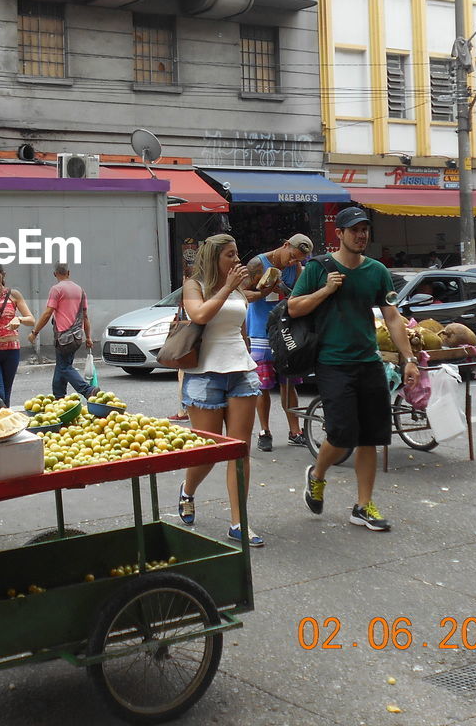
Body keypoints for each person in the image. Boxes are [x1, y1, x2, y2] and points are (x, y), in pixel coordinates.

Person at [295, 206, 419, 532]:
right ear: (339, 234)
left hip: (369, 362)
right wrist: (326, 290)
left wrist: (408, 359)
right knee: (341, 434)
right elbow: (294, 307)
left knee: (370, 437)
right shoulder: (318, 268)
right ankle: (317, 475)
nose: (361, 235)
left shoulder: (377, 271)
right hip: (333, 363)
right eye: (354, 230)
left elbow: (391, 316)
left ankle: (363, 506)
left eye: (365, 230)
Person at [176, 234, 265, 547]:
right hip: (205, 376)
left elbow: (239, 328)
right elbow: (199, 315)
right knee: (209, 453)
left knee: (240, 452)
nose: (237, 260)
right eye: (230, 254)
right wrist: (228, 287)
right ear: (215, 257)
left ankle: (239, 522)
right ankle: (188, 491)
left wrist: (248, 351)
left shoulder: (238, 286)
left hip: (241, 373)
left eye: (237, 253)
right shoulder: (194, 286)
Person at [243, 233, 312, 451]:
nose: (293, 262)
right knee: (263, 384)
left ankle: (295, 431)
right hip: (260, 330)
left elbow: (298, 296)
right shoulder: (257, 263)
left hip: (284, 329)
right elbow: (242, 294)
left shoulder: (296, 267)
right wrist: (264, 291)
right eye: (292, 256)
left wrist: (285, 290)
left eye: (298, 259)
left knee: (288, 381)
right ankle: (264, 431)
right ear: (284, 245)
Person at [29, 263, 99, 400]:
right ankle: (59, 396)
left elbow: (48, 312)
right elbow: (85, 316)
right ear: (69, 272)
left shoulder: (56, 289)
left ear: (55, 274)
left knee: (65, 367)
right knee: (62, 366)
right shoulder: (80, 290)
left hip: (63, 338)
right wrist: (89, 337)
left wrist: (35, 332)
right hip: (77, 337)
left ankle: (87, 390)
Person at [0, 263, 35, 408]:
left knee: (7, 393)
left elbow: (31, 319)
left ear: (3, 275)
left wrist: (19, 319)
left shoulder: (13, 294)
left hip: (11, 350)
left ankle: (5, 423)